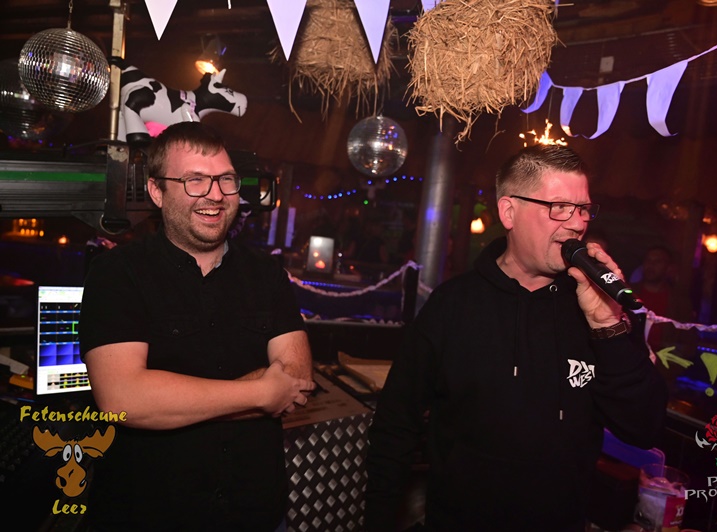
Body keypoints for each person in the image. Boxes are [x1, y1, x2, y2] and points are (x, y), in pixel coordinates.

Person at [365, 144, 667, 531]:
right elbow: (395, 426)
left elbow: (644, 428)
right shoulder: (452, 305)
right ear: (509, 212)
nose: (577, 223)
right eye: (560, 207)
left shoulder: (597, 310)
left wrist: (607, 325)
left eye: (583, 209)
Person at [79, 122, 315, 530]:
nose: (216, 195)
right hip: (150, 516)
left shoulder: (267, 274)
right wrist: (260, 392)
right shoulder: (117, 273)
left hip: (255, 514)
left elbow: (295, 382)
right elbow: (124, 399)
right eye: (195, 180)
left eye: (226, 179)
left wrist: (172, 403)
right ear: (157, 191)